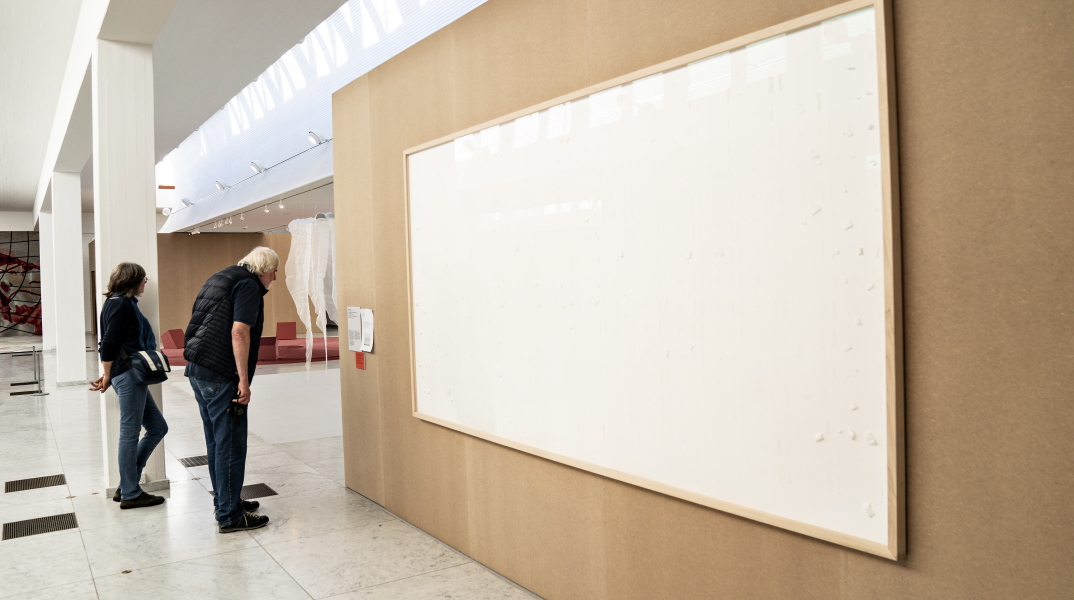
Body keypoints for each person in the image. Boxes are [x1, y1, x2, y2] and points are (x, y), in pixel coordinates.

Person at [184, 246, 278, 533]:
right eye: (275, 272)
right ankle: (229, 514)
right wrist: (243, 380)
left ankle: (227, 502)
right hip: (221, 375)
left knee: (216, 443)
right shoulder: (249, 286)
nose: (275, 278)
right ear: (264, 269)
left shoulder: (220, 277)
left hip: (198, 370)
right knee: (231, 446)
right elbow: (239, 331)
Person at [90, 262, 169, 509]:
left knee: (158, 427)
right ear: (132, 280)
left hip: (127, 374)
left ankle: (127, 484)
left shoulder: (116, 302)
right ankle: (131, 493)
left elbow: (111, 341)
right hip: (128, 375)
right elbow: (108, 343)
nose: (146, 283)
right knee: (129, 433)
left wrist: (109, 374)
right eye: (144, 279)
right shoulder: (121, 305)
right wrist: (107, 375)